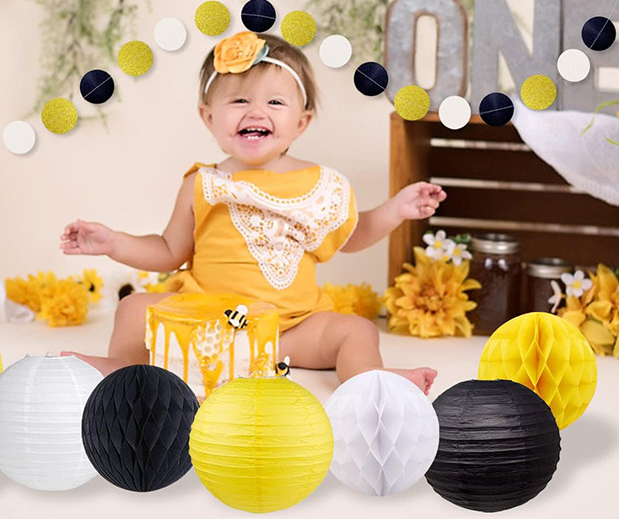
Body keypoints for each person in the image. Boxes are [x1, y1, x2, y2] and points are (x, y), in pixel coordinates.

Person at [61, 30, 443, 394]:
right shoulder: (202, 184)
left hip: (288, 331)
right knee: (133, 308)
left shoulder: (320, 185)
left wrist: (395, 210)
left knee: (357, 331)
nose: (256, 112)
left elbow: (352, 236)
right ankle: (121, 368)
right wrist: (114, 242)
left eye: (275, 102)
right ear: (209, 117)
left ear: (301, 122)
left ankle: (369, 379)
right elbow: (168, 250)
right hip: (206, 326)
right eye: (239, 101)